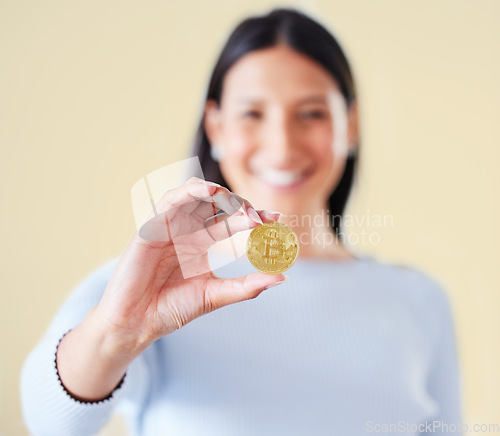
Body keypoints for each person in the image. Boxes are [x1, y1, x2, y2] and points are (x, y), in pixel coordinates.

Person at [21, 8, 463, 436]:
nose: (282, 146)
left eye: (311, 113)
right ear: (215, 128)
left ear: (351, 123)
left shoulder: (419, 301)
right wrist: (117, 334)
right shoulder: (153, 284)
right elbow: (50, 421)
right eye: (252, 114)